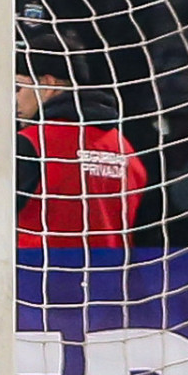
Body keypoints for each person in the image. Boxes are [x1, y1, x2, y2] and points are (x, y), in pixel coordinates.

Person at [16, 29, 144, 249]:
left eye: (18, 87)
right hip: (112, 278)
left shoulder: (32, 144)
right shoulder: (125, 148)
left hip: (38, 276)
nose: (14, 99)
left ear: (48, 84)